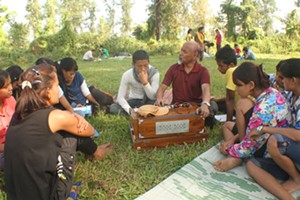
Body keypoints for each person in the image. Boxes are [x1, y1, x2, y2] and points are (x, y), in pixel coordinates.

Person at [4, 63, 94, 199]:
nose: (59, 90)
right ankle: (65, 192)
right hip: (45, 196)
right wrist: (73, 115)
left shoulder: (18, 113)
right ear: (47, 91)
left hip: (15, 195)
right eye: (57, 85)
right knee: (70, 135)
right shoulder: (56, 116)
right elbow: (90, 130)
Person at [213, 62, 289, 172]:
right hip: (265, 135)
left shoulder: (263, 110)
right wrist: (233, 140)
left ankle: (237, 158)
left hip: (269, 148)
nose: (237, 90)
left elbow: (252, 145)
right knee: (227, 125)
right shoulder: (271, 92)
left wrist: (229, 148)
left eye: (239, 85)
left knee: (242, 104)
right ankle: (238, 152)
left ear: (251, 85)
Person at [246, 58, 300, 200]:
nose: (280, 80)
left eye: (283, 78)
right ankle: (286, 196)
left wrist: (264, 129)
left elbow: (298, 135)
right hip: (291, 151)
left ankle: (296, 179)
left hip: (293, 145)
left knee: (274, 141)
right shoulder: (290, 95)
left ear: (293, 80)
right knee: (252, 165)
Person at [156, 41, 212, 119]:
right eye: (181, 50)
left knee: (212, 107)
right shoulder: (173, 69)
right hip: (177, 107)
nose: (181, 54)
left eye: (184, 52)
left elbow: (206, 89)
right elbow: (162, 88)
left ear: (195, 54)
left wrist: (205, 104)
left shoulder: (203, 71)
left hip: (196, 107)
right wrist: (159, 98)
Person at [214, 45, 255, 153]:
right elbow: (231, 95)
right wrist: (217, 100)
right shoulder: (238, 70)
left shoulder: (230, 71)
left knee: (226, 126)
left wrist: (228, 120)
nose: (218, 69)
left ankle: (233, 150)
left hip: (245, 117)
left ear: (230, 65)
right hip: (250, 120)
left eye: (221, 66)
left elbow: (230, 99)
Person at [109, 50, 160, 115]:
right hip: (134, 100)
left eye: (145, 65)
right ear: (133, 65)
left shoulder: (154, 73)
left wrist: (145, 83)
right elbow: (120, 97)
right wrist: (130, 111)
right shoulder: (127, 74)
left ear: (149, 63)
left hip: (149, 101)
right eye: (139, 66)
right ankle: (139, 112)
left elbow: (153, 97)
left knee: (157, 105)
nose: (143, 69)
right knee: (113, 108)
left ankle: (142, 112)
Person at [0, 70, 15, 170]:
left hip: (13, 144)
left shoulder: (10, 100)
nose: (11, 88)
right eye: (6, 87)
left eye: (10, 84)